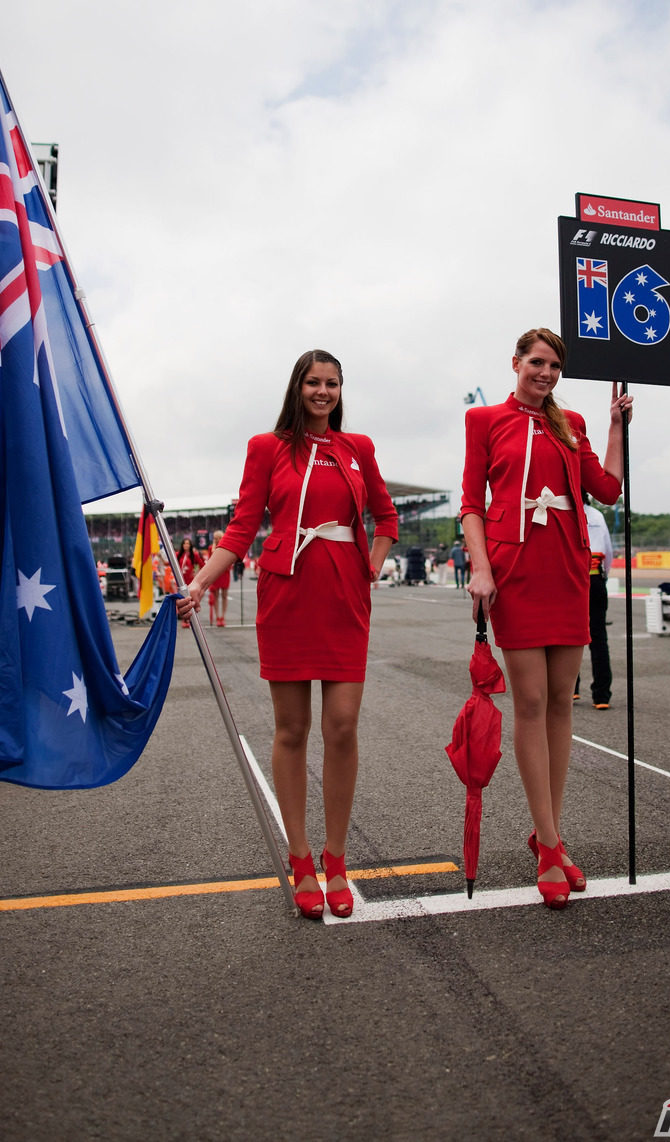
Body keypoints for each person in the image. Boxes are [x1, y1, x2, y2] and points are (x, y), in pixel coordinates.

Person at [177, 350, 398, 920]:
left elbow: (386, 517)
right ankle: (301, 858)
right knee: (292, 729)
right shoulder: (266, 447)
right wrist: (201, 582)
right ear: (297, 387)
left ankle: (337, 858)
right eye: (313, 383)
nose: (322, 392)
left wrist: (371, 562)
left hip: (346, 595)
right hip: (287, 592)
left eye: (332, 384)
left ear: (341, 390)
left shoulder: (359, 449)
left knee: (343, 727)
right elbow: (243, 525)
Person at [460, 327, 632, 909]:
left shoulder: (572, 423)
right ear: (516, 362)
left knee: (561, 702)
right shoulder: (484, 421)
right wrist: (481, 570)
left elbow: (606, 489)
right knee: (530, 704)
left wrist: (615, 427)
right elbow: (471, 505)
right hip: (515, 573)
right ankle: (552, 845)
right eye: (537, 362)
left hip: (567, 572)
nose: (546, 373)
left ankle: (547, 833)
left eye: (555, 365)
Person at [573, 493, 615, 708]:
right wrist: (601, 577)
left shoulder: (564, 513)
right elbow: (608, 552)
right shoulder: (597, 516)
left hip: (571, 580)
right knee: (599, 637)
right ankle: (601, 694)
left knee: (569, 636)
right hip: (595, 577)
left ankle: (572, 688)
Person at [206, 529, 232, 627]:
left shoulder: (227, 547)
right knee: (216, 596)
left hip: (225, 574)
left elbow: (229, 561)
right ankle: (217, 617)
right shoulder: (210, 548)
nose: (217, 540)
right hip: (216, 575)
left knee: (224, 596)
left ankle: (223, 617)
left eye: (219, 538)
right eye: (215, 538)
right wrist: (213, 548)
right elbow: (210, 561)